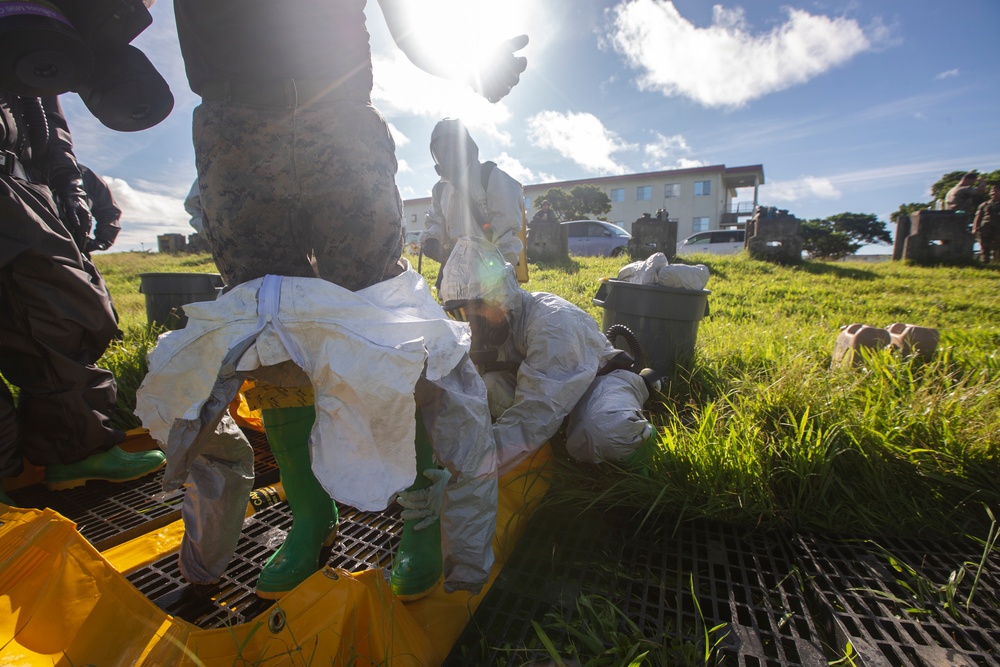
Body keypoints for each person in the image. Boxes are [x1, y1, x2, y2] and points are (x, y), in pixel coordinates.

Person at [159, 1, 528, 599]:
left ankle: (420, 513)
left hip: (339, 116)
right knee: (266, 323)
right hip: (235, 126)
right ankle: (311, 518)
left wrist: (461, 59)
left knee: (384, 321)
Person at [0, 92, 164, 507]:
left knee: (63, 314)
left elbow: (49, 119)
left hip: (16, 184)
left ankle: (73, 452)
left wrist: (69, 186)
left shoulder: (26, 43)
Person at [439, 238, 659, 475]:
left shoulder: (552, 323)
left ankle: (642, 457)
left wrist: (464, 473)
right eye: (461, 313)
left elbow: (533, 415)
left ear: (499, 296)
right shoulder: (499, 326)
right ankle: (555, 446)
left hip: (597, 382)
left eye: (477, 309)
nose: (471, 323)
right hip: (546, 393)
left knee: (605, 431)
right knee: (486, 386)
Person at [428, 117, 525, 266]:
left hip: (491, 265)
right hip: (454, 266)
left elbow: (506, 230)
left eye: (452, 147)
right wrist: (432, 239)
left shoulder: (489, 176)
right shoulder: (440, 190)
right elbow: (436, 221)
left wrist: (500, 271)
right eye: (442, 150)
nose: (448, 155)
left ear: (466, 146)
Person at [79, 165, 121, 255]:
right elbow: (109, 211)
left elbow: (109, 211)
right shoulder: (83, 173)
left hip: (71, 255)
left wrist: (99, 242)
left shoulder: (83, 174)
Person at [973, 185, 1000, 264]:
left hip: (998, 229)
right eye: (992, 191)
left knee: (997, 248)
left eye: (996, 191)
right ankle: (985, 264)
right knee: (984, 247)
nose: (994, 193)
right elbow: (978, 216)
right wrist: (975, 228)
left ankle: (996, 264)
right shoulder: (984, 205)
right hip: (985, 229)